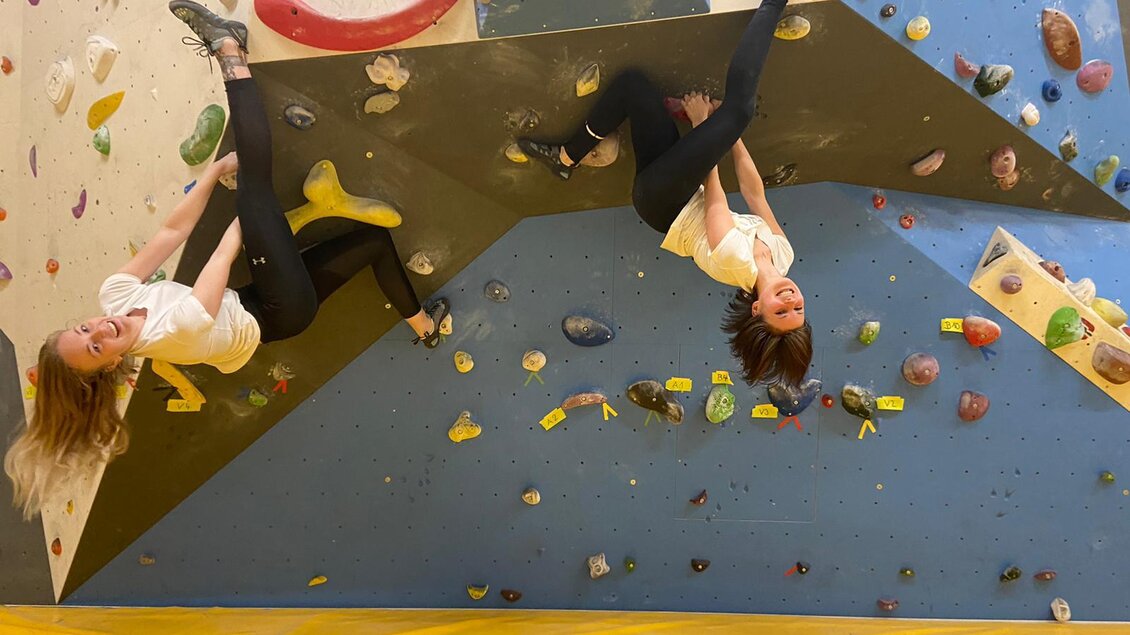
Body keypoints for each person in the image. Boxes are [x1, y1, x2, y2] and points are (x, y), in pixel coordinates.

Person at [3, 0, 449, 519]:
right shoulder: (172, 338)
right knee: (255, 190)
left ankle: (425, 328)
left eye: (84, 331)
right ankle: (230, 49)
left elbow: (173, 230)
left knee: (370, 243)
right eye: (97, 347)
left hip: (255, 305)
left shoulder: (114, 295)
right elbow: (222, 252)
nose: (100, 330)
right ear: (108, 367)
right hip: (283, 310)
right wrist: (253, 207)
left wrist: (214, 175)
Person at [518, 0, 809, 389]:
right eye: (798, 307)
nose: (790, 298)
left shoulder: (733, 264)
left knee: (740, 108)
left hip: (662, 202)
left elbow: (716, 192)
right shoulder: (783, 255)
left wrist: (707, 124)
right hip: (681, 187)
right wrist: (729, 137)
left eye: (781, 310)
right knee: (634, 88)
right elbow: (755, 195)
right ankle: (566, 158)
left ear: (757, 310)